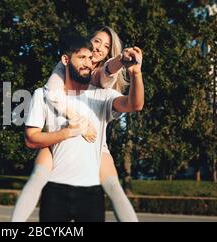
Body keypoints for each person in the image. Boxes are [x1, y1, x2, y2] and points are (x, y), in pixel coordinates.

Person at [11, 26, 141, 222]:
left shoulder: (99, 78)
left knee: (114, 187)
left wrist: (123, 60)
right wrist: (77, 124)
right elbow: (51, 94)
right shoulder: (62, 68)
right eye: (97, 42)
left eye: (106, 47)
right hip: (60, 134)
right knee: (38, 176)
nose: (99, 49)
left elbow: (109, 71)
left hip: (96, 143)